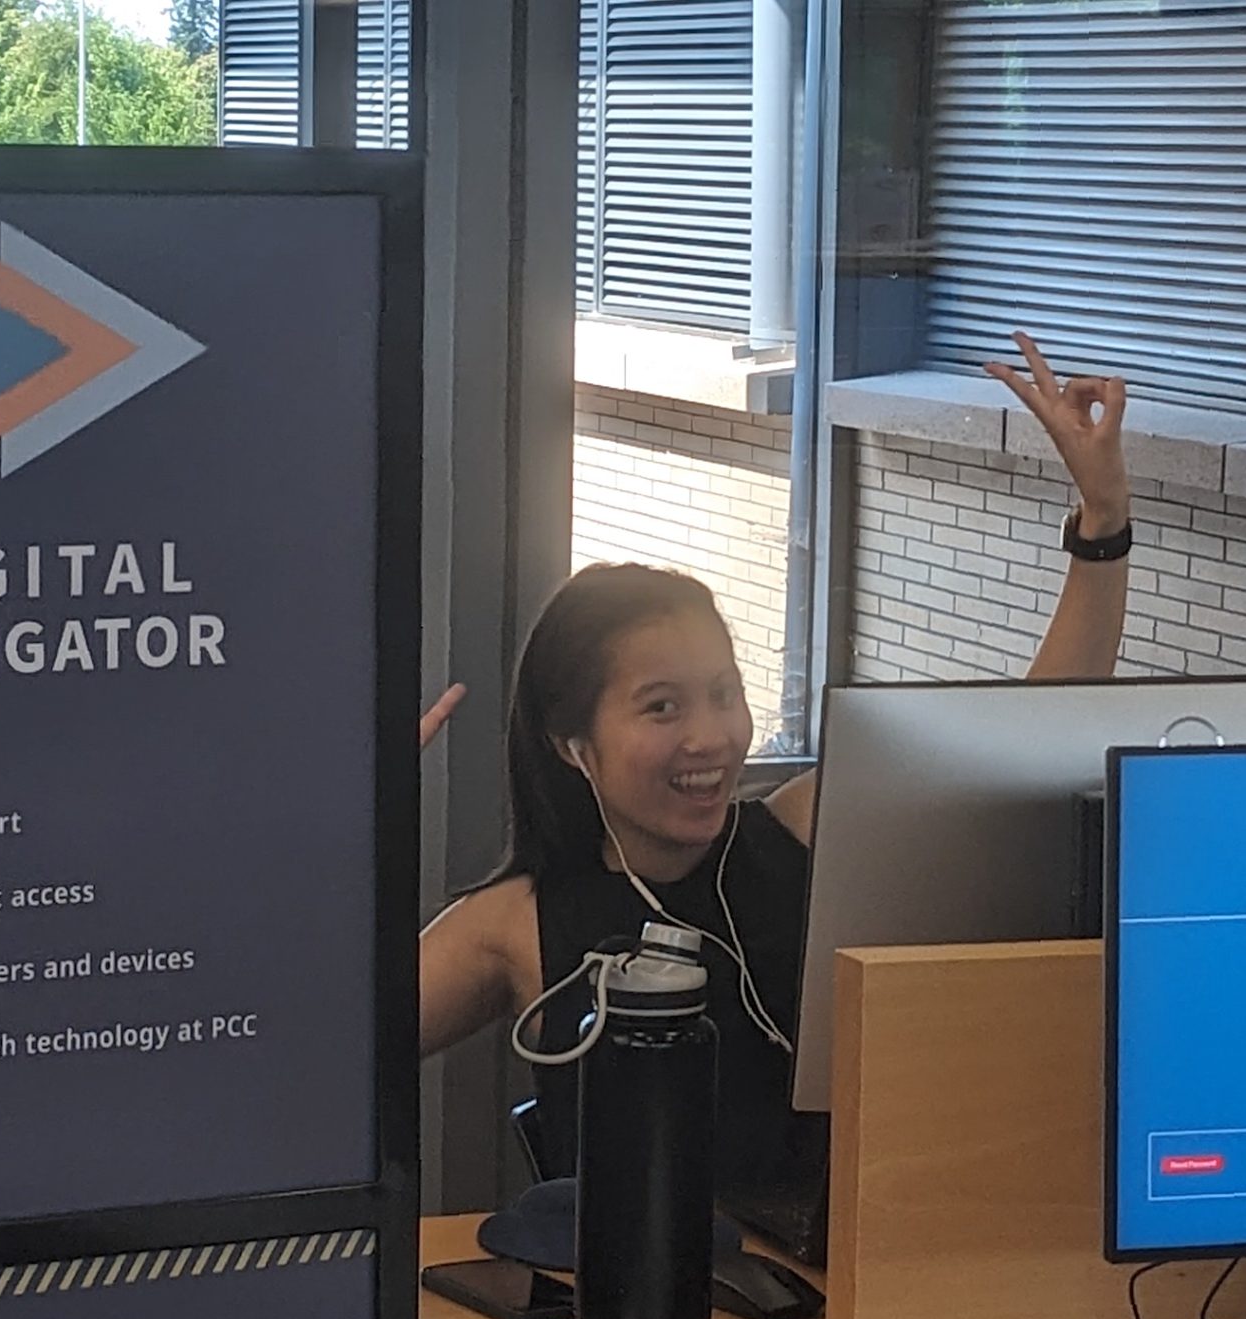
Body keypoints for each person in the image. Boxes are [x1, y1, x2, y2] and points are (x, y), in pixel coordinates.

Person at [417, 334, 1134, 1216]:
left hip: (828, 1299)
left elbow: (1034, 728)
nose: (710, 736)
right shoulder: (513, 923)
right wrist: (333, 807)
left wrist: (1102, 521)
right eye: (662, 708)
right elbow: (320, 1043)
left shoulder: (806, 831)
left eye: (724, 694)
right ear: (574, 744)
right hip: (627, 1314)